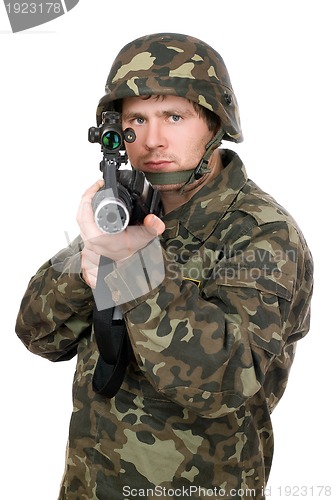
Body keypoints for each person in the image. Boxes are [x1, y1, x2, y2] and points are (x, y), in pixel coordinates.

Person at [16, 32, 313, 500]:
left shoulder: (261, 233)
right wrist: (89, 261)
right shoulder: (125, 213)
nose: (153, 141)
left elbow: (223, 381)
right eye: (137, 120)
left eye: (174, 116)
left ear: (215, 121)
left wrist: (132, 272)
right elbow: (38, 335)